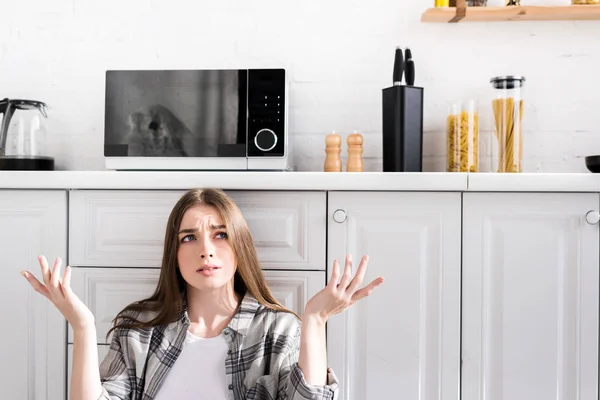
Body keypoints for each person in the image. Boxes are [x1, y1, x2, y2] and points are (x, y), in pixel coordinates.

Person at [21, 188, 384, 400]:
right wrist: (82, 327)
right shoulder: (140, 331)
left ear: (240, 246)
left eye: (221, 234)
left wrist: (315, 321)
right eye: (189, 237)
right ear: (174, 253)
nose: (206, 250)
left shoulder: (277, 331)